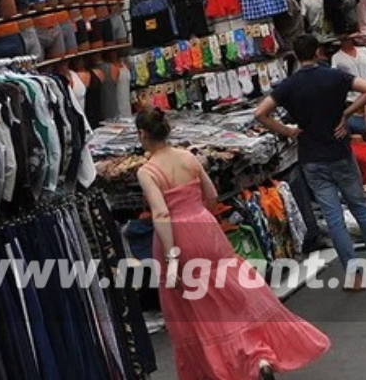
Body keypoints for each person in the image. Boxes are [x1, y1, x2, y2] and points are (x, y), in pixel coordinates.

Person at [136, 107, 331, 380]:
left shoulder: (148, 171)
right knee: (231, 297)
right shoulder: (188, 157)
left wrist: (171, 257)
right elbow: (212, 194)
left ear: (143, 134)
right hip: (205, 227)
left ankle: (225, 368)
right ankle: (258, 356)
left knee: (200, 313)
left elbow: (161, 213)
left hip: (177, 237)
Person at [255, 34, 366, 289]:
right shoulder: (334, 76)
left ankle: (352, 274)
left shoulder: (288, 85)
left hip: (311, 156)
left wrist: (287, 130)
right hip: (339, 152)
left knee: (333, 216)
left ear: (295, 53)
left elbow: (260, 113)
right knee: (360, 207)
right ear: (317, 51)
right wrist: (346, 114)